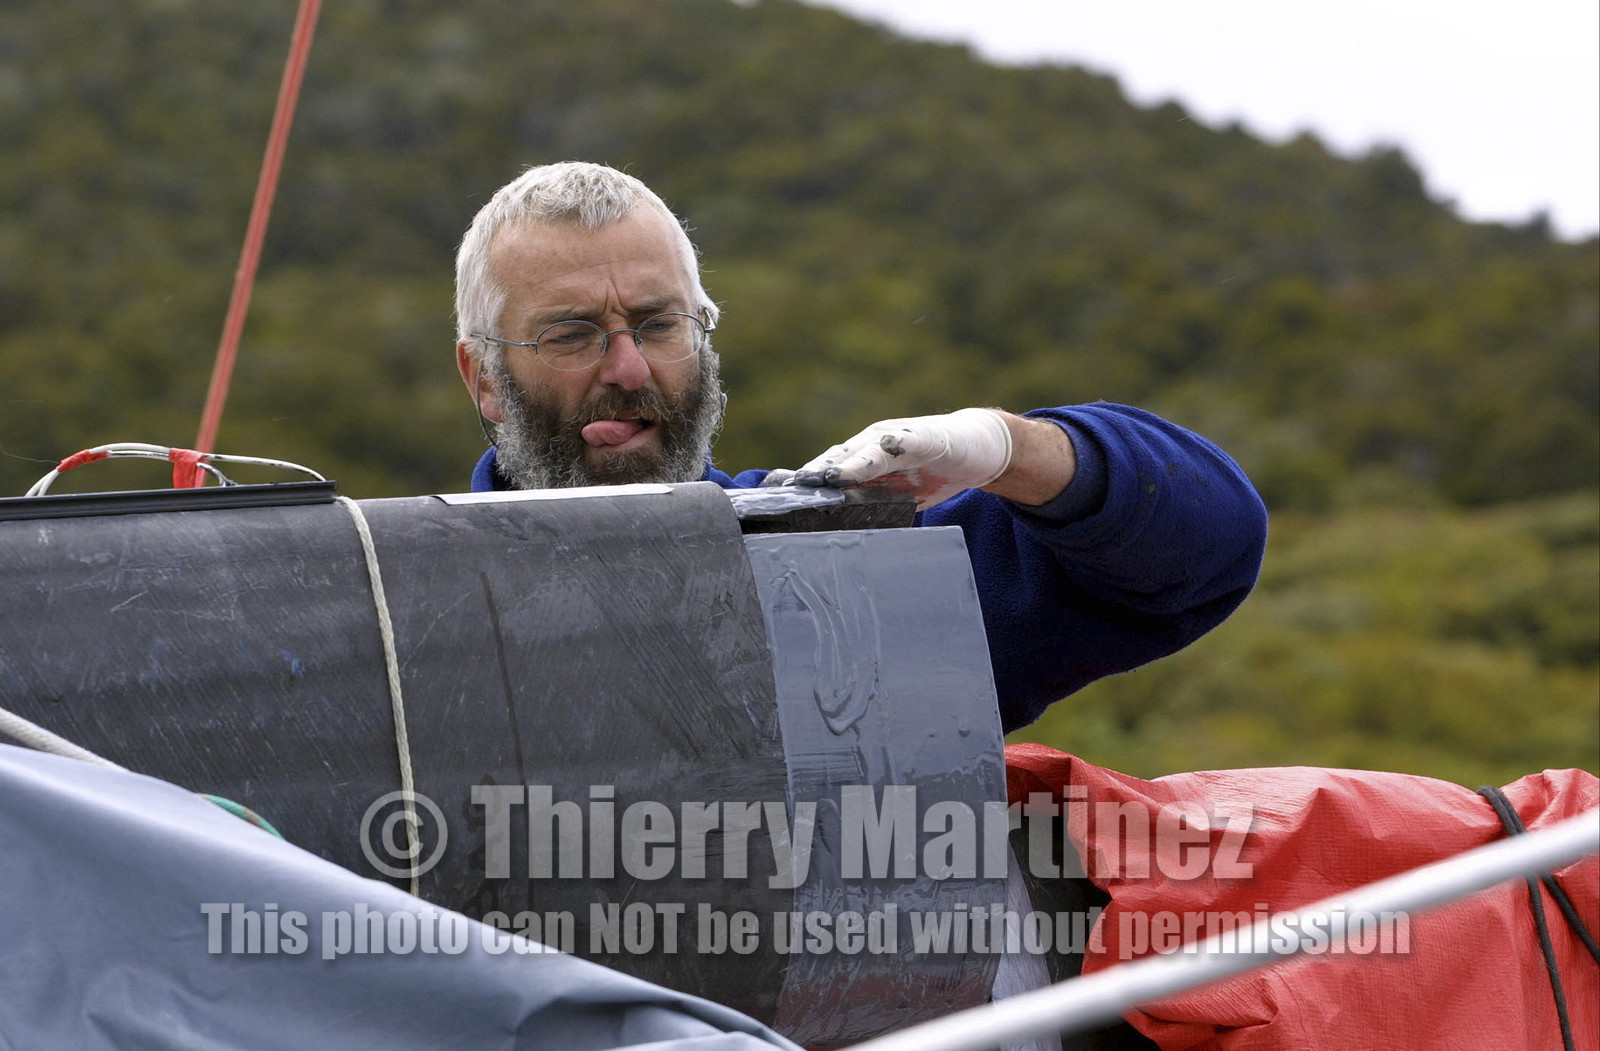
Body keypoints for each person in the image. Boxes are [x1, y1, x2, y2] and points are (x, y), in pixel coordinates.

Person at [453, 162, 1268, 733]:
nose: (628, 368)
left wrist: (1006, 449)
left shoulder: (840, 572)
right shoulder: (390, 606)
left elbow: (1211, 548)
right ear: (484, 375)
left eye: (661, 324)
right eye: (572, 333)